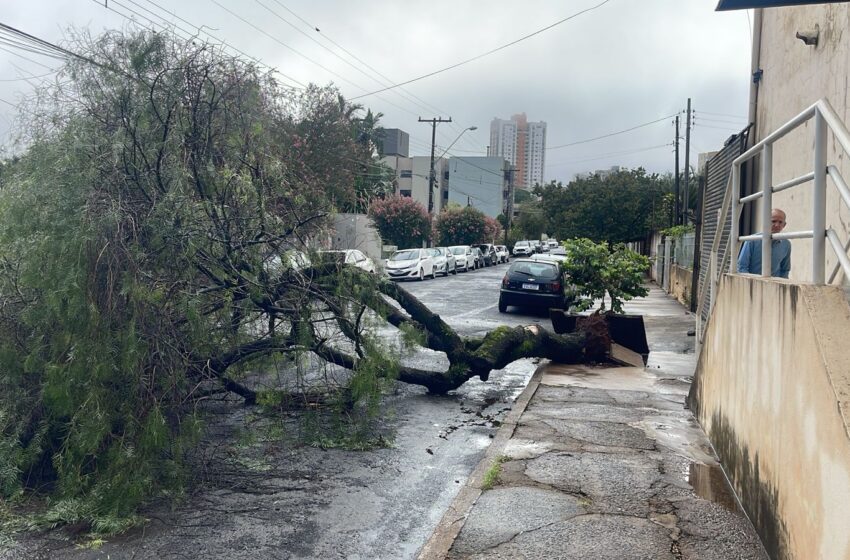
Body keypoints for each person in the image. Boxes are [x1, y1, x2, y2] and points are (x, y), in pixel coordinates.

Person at [737, 208, 791, 278]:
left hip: (774, 286)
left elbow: (785, 269)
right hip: (752, 284)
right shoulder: (751, 240)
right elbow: (742, 267)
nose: (777, 225)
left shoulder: (786, 244)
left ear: (784, 225)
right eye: (773, 221)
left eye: (780, 222)